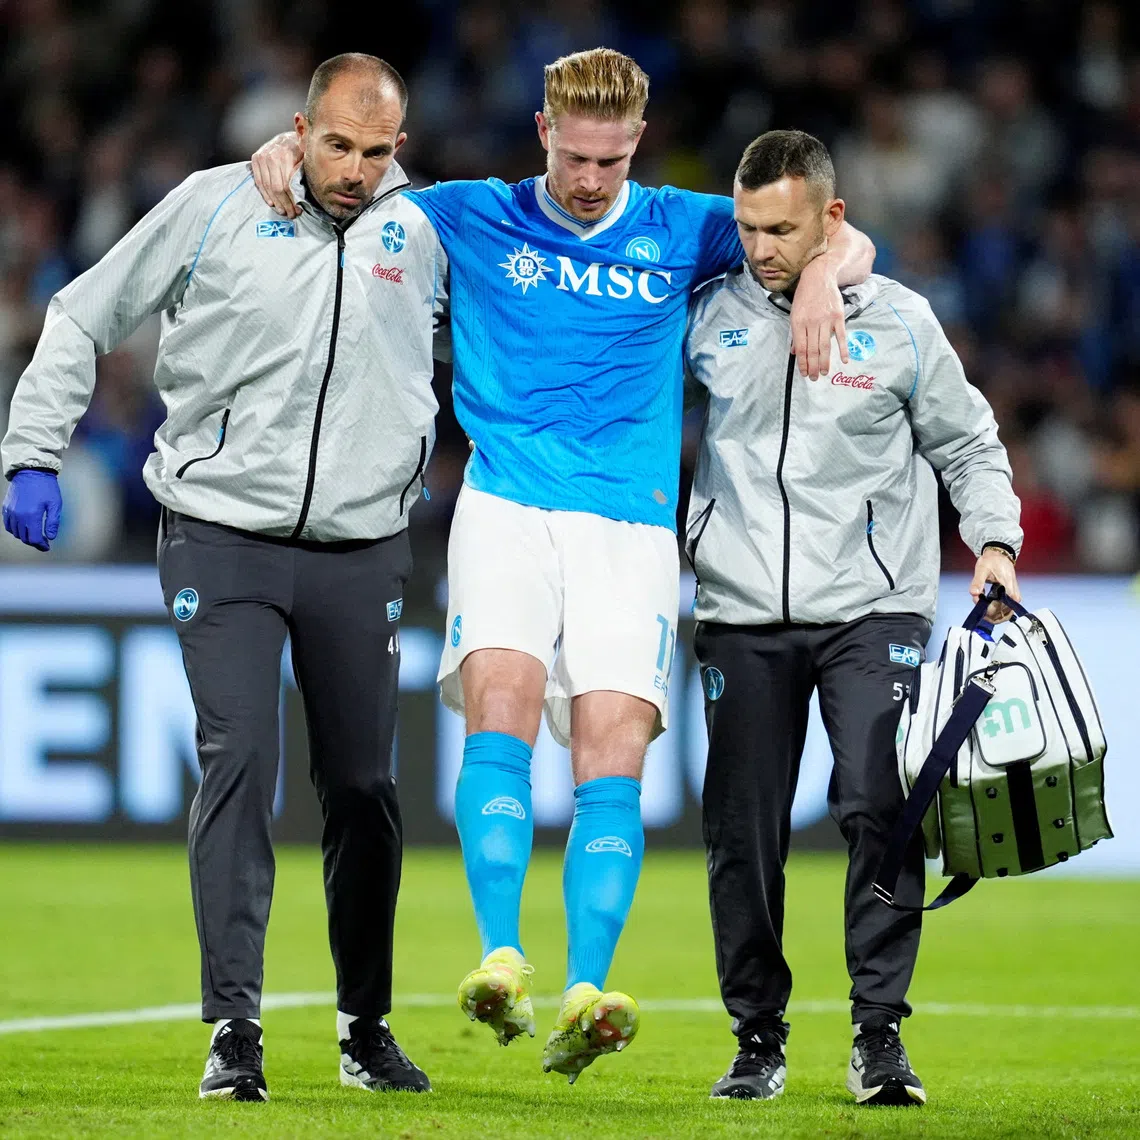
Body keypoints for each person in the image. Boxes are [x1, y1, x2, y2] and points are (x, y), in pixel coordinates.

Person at [252, 48, 874, 1084]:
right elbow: (342, 176)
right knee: (500, 708)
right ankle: (501, 959)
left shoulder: (686, 226)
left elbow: (845, 235)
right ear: (544, 130)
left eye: (613, 159)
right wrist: (278, 147)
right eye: (577, 157)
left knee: (608, 748)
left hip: (630, 526)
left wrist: (818, 274)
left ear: (638, 143)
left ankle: (588, 987)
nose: (592, 180)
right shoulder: (472, 212)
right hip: (505, 506)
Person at [1, 54, 445, 1101]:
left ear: (401, 151)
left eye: (375, 152)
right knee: (240, 760)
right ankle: (234, 1027)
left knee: (367, 792)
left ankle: (363, 1027)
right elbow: (82, 310)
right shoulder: (215, 203)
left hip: (361, 548)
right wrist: (30, 448)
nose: (352, 168)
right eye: (335, 143)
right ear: (299, 127)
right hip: (221, 536)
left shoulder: (427, 233)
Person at [684, 130, 1023, 1105]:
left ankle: (879, 1036)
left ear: (833, 219)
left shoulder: (905, 324)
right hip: (742, 610)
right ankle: (758, 1036)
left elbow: (969, 442)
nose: (760, 249)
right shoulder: (706, 317)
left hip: (875, 609)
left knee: (881, 806)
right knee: (740, 832)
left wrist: (993, 542)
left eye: (782, 229)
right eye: (747, 228)